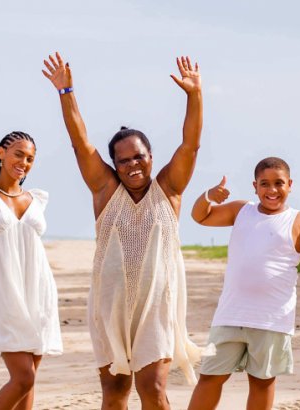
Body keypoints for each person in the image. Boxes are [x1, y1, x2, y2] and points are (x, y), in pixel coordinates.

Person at [42, 52, 203, 409]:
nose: (133, 165)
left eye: (139, 156)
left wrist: (194, 95)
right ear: (113, 165)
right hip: (110, 304)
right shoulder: (105, 190)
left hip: (156, 308)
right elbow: (80, 143)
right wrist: (66, 90)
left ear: (151, 156)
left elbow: (190, 144)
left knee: (154, 390)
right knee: (114, 394)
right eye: (124, 160)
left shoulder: (170, 189)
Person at [187, 157, 300, 410]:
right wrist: (208, 196)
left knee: (262, 382)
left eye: (279, 183)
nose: (272, 190)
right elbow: (200, 217)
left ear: (290, 184)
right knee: (209, 377)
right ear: (255, 186)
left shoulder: (298, 220)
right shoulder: (241, 211)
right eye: (265, 184)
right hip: (230, 315)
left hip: (271, 319)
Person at [0, 131, 62, 410]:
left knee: (30, 380)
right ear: (1, 153)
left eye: (30, 158)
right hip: (5, 294)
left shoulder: (36, 198)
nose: (24, 162)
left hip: (39, 292)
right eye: (18, 154)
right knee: (23, 378)